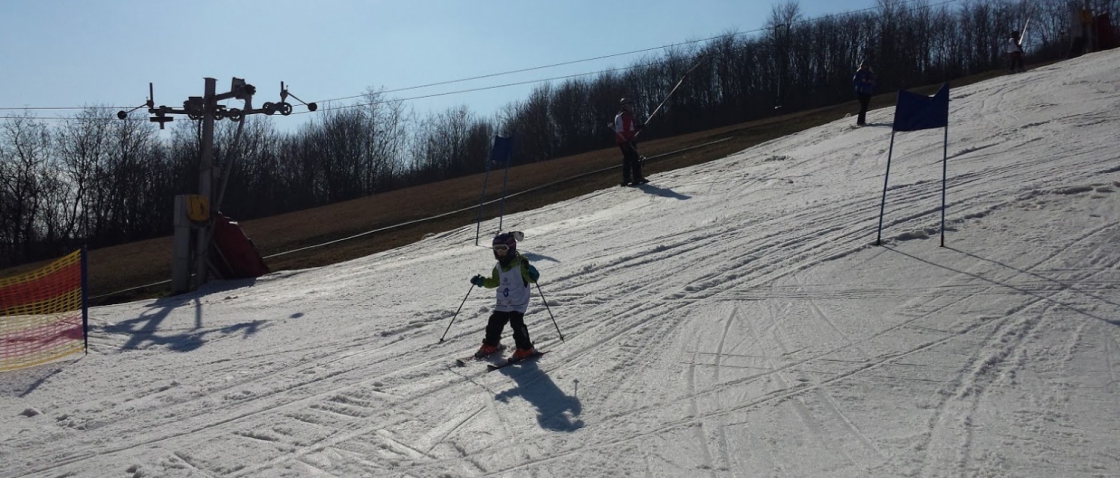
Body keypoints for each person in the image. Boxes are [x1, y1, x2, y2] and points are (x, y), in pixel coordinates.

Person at [470, 231, 540, 360]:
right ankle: (491, 344)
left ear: (511, 248)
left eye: (503, 248)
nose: (500, 252)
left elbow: (531, 279)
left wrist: (533, 274)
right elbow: (495, 282)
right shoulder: (499, 267)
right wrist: (482, 282)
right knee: (494, 322)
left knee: (517, 324)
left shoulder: (521, 264)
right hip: (503, 300)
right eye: (497, 249)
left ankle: (525, 348)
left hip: (518, 301)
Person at [613, 97, 648, 186]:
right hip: (625, 140)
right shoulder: (623, 115)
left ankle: (626, 178)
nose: (631, 106)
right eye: (629, 105)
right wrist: (627, 140)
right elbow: (622, 130)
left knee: (628, 159)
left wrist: (639, 126)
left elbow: (631, 127)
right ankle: (637, 177)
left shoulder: (624, 115)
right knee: (634, 158)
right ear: (624, 106)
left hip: (626, 140)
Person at [852, 62, 877, 126]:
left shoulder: (870, 73)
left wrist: (870, 82)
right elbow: (855, 81)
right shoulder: (859, 72)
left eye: (866, 65)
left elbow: (874, 82)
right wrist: (862, 81)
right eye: (863, 65)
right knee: (863, 106)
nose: (865, 66)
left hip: (868, 91)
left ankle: (862, 121)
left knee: (865, 107)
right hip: (861, 92)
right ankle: (860, 121)